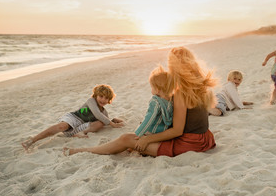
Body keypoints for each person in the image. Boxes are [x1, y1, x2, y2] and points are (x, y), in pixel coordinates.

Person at [64, 47, 217, 157]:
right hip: (204, 138)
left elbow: (177, 130)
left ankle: (83, 151)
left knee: (126, 138)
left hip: (189, 144)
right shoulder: (200, 85)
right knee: (137, 135)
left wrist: (147, 139)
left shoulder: (182, 92)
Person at [22, 84, 124, 150]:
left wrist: (113, 120)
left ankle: (80, 133)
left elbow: (104, 120)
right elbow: (97, 114)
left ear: (109, 100)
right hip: (73, 118)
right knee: (62, 126)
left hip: (81, 127)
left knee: (100, 123)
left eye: (106, 98)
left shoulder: (104, 112)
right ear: (96, 95)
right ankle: (32, 140)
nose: (103, 100)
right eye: (101, 96)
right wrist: (112, 124)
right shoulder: (91, 101)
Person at [134, 65, 174, 137]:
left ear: (157, 90)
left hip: (152, 132)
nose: (151, 89)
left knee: (138, 127)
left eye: (152, 87)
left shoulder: (155, 101)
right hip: (163, 133)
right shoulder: (171, 101)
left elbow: (148, 119)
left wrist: (137, 134)